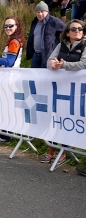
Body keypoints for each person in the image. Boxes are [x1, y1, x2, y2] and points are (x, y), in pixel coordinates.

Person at [42, 19, 86, 164]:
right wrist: (53, 64)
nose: (77, 31)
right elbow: (49, 61)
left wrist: (63, 65)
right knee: (55, 119)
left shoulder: (85, 45)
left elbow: (83, 63)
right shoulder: (61, 45)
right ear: (67, 33)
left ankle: (64, 152)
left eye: (80, 28)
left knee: (68, 121)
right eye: (74, 29)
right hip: (58, 89)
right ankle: (51, 152)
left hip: (76, 92)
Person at [26, 1, 66, 68]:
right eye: (38, 12)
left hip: (48, 55)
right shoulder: (34, 22)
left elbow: (67, 30)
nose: (40, 14)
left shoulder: (54, 21)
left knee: (45, 77)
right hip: (36, 54)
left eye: (42, 11)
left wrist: (63, 45)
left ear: (47, 12)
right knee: (34, 75)